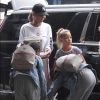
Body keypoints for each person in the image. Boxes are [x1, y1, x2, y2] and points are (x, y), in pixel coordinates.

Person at [47, 28, 96, 100]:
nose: (69, 39)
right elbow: (55, 66)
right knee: (53, 88)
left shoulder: (75, 49)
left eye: (70, 37)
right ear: (61, 40)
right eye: (66, 38)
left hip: (72, 75)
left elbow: (83, 62)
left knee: (74, 88)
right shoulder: (59, 52)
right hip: (61, 74)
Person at [18, 3, 53, 88]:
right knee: (33, 86)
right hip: (29, 61)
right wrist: (22, 46)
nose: (43, 17)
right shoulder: (25, 27)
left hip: (43, 60)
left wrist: (48, 49)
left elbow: (49, 44)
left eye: (44, 15)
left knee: (44, 85)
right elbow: (19, 45)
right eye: (40, 15)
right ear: (33, 14)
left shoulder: (47, 27)